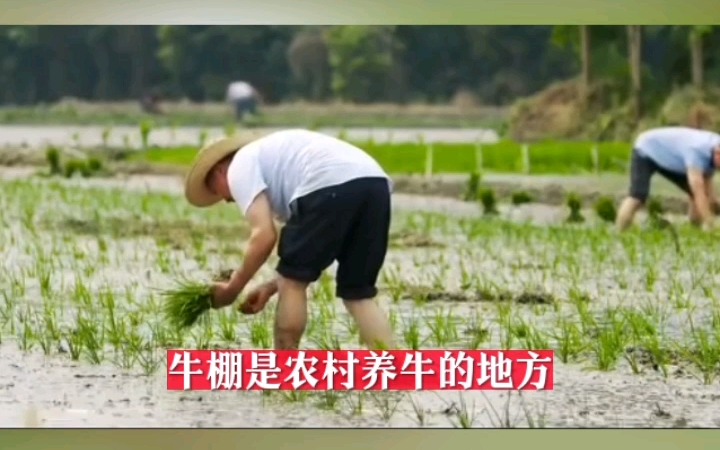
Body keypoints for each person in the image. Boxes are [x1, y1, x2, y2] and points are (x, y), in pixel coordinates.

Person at [183, 129, 396, 350]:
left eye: (215, 191)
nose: (225, 199)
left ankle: (285, 369)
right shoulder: (275, 161)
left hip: (326, 184)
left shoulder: (239, 166)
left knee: (292, 285)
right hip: (374, 184)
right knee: (358, 294)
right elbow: (313, 249)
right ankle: (392, 369)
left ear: (219, 171)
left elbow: (264, 236)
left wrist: (232, 289)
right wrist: (270, 286)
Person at [616, 126, 720, 231]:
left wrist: (714, 203)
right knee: (637, 196)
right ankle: (619, 233)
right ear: (717, 152)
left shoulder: (714, 147)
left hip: (672, 157)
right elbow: (698, 191)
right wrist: (710, 223)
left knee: (702, 196)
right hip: (646, 150)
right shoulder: (696, 152)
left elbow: (709, 191)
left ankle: (696, 231)